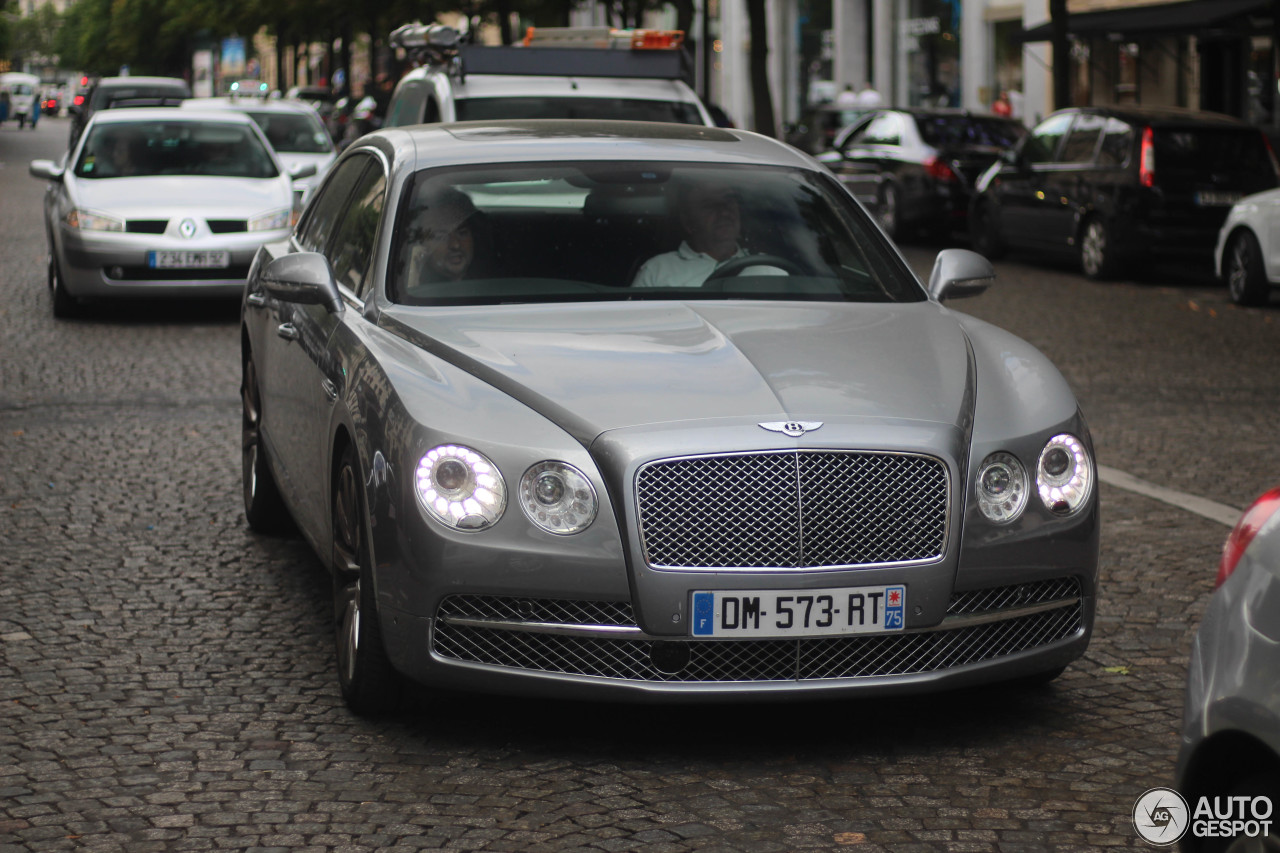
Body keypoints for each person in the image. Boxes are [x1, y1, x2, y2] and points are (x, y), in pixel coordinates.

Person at [632, 177, 786, 288]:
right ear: (688, 221)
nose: (724, 212)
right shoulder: (657, 270)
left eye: (728, 201)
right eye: (709, 205)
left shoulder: (768, 268)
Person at [406, 188, 477, 284]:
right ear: (420, 245)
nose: (455, 244)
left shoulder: (497, 284)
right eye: (440, 237)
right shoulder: (404, 292)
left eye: (462, 233)